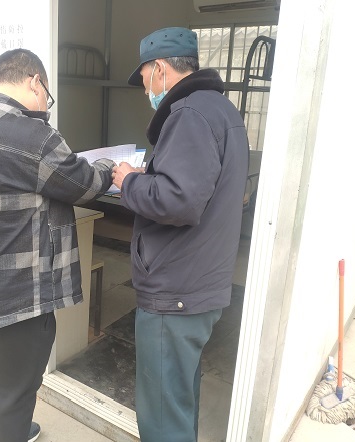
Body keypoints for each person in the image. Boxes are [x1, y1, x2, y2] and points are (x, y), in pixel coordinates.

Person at [0, 48, 115, 442]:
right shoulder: (33, 135)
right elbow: (83, 184)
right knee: (17, 389)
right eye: (47, 95)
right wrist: (112, 168)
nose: (45, 105)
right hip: (19, 291)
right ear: (35, 82)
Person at [112, 27, 249, 442]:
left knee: (161, 414)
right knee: (178, 399)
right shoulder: (220, 110)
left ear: (159, 69)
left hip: (175, 290)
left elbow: (179, 201)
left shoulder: (189, 114)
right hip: (200, 283)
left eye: (145, 79)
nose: (145, 89)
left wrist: (129, 180)